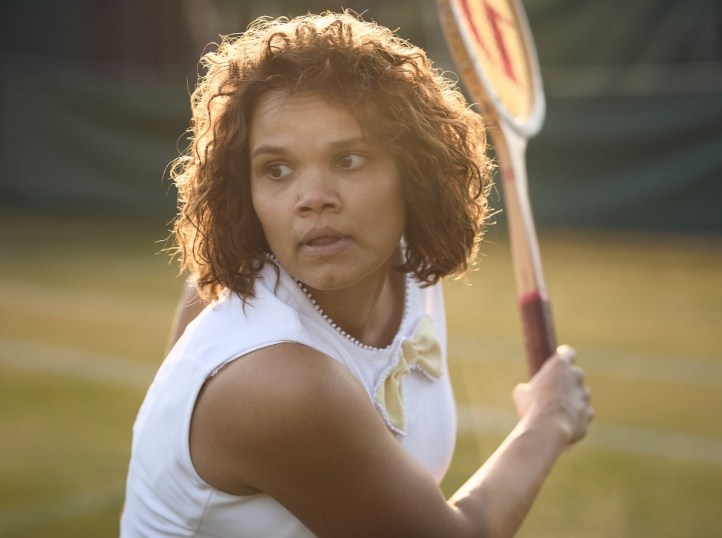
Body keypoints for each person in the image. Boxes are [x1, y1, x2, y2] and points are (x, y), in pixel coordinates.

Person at [121, 11, 592, 538]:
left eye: (348, 159)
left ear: (411, 172)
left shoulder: (408, 266)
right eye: (276, 169)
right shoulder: (279, 383)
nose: (312, 198)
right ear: (243, 190)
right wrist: (547, 421)